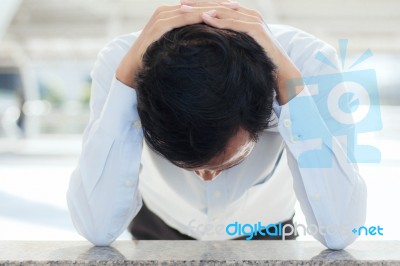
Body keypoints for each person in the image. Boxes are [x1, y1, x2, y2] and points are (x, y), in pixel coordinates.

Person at [67, 0, 367, 250]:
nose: (206, 177)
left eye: (228, 161)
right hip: (160, 222)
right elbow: (97, 227)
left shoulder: (313, 66)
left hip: (267, 226)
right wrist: (123, 88)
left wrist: (293, 93)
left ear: (263, 112)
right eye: (182, 161)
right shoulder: (122, 64)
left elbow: (339, 231)